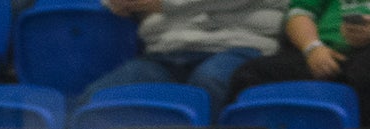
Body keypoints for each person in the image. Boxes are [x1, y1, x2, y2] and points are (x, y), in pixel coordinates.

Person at [78, 0, 285, 117]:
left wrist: (163, 3)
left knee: (207, 83)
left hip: (240, 46)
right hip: (165, 53)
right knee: (97, 96)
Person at [228, 0, 370, 112]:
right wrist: (313, 47)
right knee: (251, 73)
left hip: (362, 61)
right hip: (323, 54)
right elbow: (299, 14)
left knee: (362, 71)